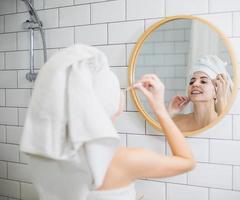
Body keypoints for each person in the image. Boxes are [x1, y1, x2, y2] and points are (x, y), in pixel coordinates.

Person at [20, 44, 196, 200]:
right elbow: (187, 161)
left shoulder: (46, 153)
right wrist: (160, 109)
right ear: (108, 104)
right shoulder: (124, 161)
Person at [167, 55, 233, 132]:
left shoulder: (222, 122)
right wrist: (170, 112)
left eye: (203, 81)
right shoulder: (175, 120)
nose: (195, 84)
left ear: (216, 92)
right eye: (191, 81)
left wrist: (221, 100)